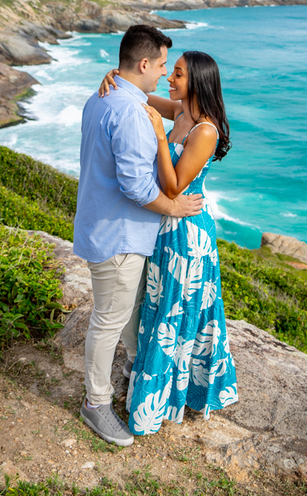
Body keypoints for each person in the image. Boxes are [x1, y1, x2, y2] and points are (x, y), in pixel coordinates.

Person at [73, 25, 204, 447]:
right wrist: (174, 207)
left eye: (175, 69)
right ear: (144, 64)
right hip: (119, 234)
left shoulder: (103, 96)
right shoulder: (129, 110)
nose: (166, 72)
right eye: (164, 64)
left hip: (106, 226)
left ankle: (131, 367)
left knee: (127, 311)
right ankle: (96, 403)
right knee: (109, 319)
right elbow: (135, 186)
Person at [97, 50, 238, 436]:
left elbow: (175, 185)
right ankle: (157, 392)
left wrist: (160, 135)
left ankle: (159, 405)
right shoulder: (181, 112)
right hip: (166, 227)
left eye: (177, 74)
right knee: (158, 313)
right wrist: (116, 75)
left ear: (198, 82)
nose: (169, 78)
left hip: (187, 236)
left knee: (172, 317)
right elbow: (138, 93)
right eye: (169, 71)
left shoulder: (204, 130)